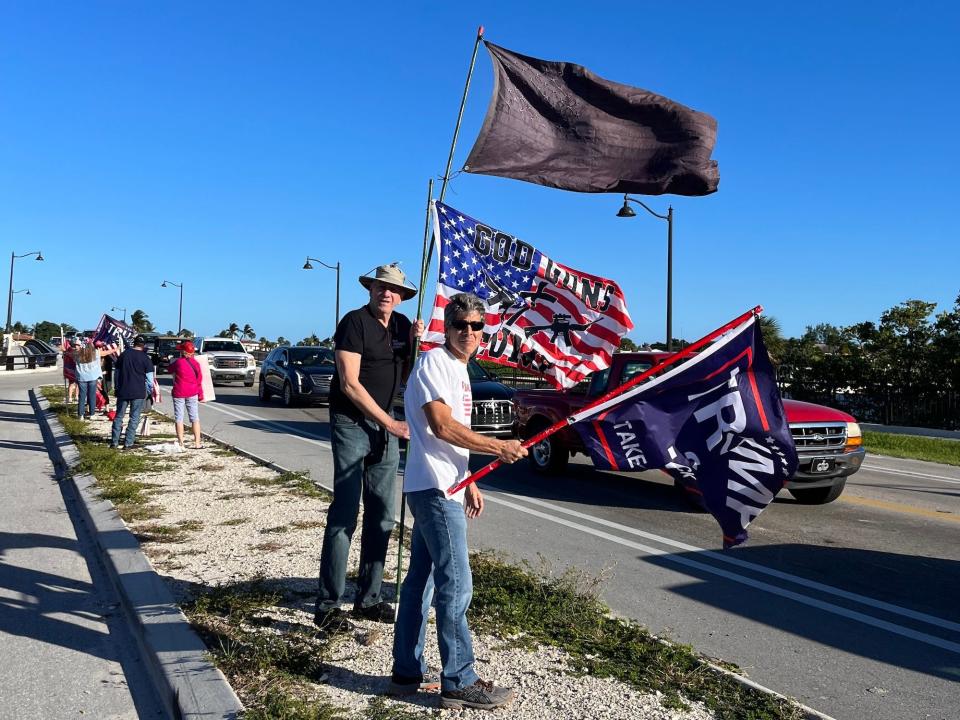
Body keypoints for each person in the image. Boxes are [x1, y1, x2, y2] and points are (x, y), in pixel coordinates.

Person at [390, 292, 525, 710]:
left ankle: (406, 672)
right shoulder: (435, 363)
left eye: (476, 326)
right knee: (456, 584)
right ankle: (459, 679)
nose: (468, 332)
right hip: (433, 489)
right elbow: (441, 426)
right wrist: (498, 447)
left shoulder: (459, 370)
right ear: (446, 328)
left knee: (423, 581)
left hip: (444, 483)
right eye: (460, 325)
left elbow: (447, 439)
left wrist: (469, 479)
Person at [315, 263, 424, 626]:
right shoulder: (354, 322)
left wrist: (415, 346)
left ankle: (369, 597)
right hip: (352, 423)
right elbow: (348, 383)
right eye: (380, 287)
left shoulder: (403, 326)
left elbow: (405, 375)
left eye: (393, 290)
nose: (386, 293)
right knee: (345, 512)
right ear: (370, 290)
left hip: (386, 428)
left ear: (402, 296)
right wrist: (390, 421)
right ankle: (329, 605)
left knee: (382, 514)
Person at [110, 335, 155, 450]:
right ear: (143, 345)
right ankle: (128, 443)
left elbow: (117, 374)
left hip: (123, 390)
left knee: (119, 416)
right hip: (138, 391)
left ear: (134, 343)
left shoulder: (124, 355)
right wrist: (149, 392)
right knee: (134, 417)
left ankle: (114, 442)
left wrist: (116, 387)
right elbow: (150, 380)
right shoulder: (146, 359)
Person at [167, 340, 204, 449]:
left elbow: (169, 369)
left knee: (179, 417)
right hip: (192, 392)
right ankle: (197, 443)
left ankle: (181, 443)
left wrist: (172, 361)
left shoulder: (178, 362)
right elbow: (199, 380)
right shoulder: (196, 364)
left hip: (179, 392)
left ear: (182, 352)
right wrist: (200, 394)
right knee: (194, 417)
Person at [74, 343, 103, 419]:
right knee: (92, 396)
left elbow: (75, 362)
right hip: (92, 377)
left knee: (82, 397)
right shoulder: (94, 354)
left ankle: (81, 415)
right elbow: (100, 359)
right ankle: (92, 414)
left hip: (82, 378)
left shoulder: (78, 355)